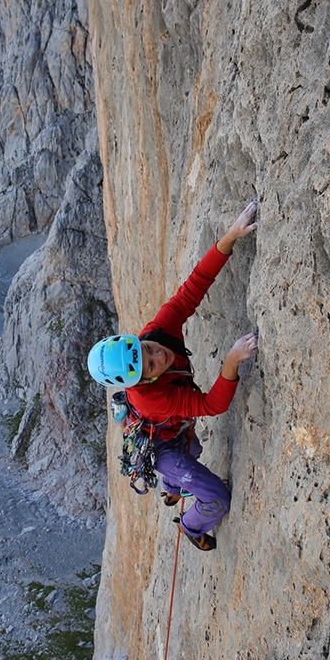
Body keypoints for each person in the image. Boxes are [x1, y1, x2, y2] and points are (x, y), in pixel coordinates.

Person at [87, 201, 259, 552]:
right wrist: (230, 361)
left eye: (145, 348)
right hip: (162, 445)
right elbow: (211, 405)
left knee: (192, 447)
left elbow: (193, 288)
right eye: (149, 366)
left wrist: (228, 237)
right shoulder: (151, 397)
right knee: (215, 496)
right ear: (141, 382)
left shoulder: (157, 333)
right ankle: (193, 526)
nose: (158, 355)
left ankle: (174, 485)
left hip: (170, 428)